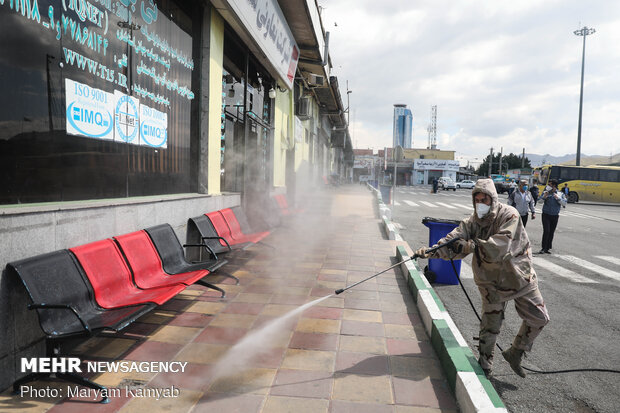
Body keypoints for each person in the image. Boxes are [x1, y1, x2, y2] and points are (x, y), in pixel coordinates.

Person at [414, 179, 550, 378]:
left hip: (519, 276)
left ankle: (515, 352)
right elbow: (453, 239)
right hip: (491, 281)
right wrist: (429, 252)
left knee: (539, 318)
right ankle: (485, 365)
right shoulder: (473, 222)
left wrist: (471, 246)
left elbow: (500, 246)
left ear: (493, 199)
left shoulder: (509, 215)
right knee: (490, 325)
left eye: (484, 199)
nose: (480, 204)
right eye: (476, 200)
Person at [540, 179, 567, 254]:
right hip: (546, 214)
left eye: (550, 185)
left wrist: (557, 198)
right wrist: (544, 197)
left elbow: (564, 203)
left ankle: (548, 248)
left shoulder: (560, 193)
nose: (548, 186)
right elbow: (539, 202)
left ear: (554, 186)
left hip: (555, 215)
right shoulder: (546, 192)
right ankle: (543, 247)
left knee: (551, 232)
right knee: (546, 230)